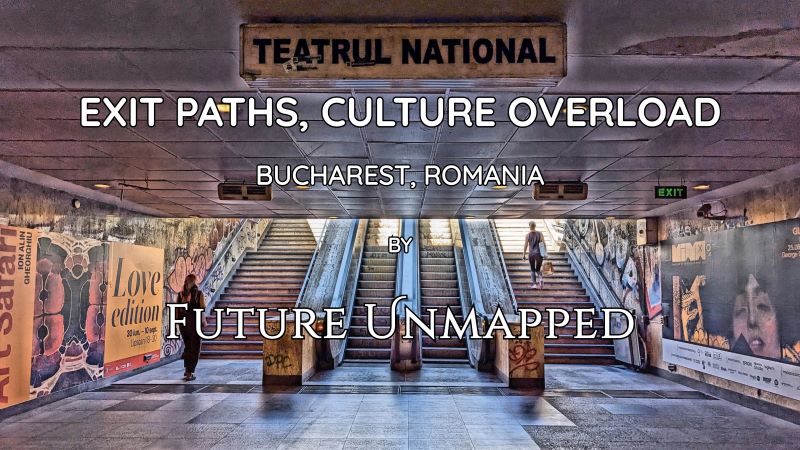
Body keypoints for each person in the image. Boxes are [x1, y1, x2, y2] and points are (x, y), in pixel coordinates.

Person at [177, 274, 207, 381]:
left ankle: (186, 370)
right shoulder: (198, 294)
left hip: (183, 324)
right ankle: (190, 372)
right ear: (194, 282)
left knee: (188, 346)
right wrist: (203, 321)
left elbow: (177, 311)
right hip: (195, 324)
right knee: (195, 348)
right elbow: (201, 309)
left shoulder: (181, 294)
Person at [522, 221, 545, 289]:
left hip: (531, 254)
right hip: (539, 254)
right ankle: (540, 279)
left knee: (532, 269)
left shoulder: (527, 235)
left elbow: (525, 245)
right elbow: (543, 244)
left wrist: (523, 255)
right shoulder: (540, 233)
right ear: (535, 226)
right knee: (538, 269)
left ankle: (534, 284)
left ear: (529, 226)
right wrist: (545, 253)